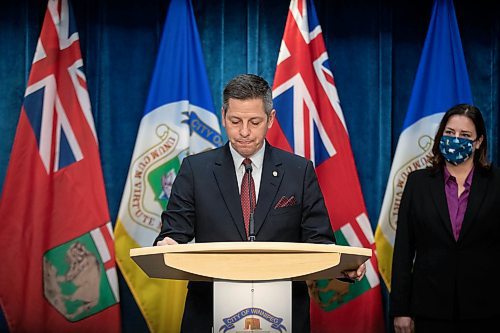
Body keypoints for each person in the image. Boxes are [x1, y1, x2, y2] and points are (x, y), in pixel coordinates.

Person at [155, 74, 365, 332]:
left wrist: (344, 266)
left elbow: (319, 242)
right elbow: (174, 232)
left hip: (283, 313)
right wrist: (168, 243)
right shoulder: (195, 170)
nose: (244, 132)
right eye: (235, 121)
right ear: (223, 116)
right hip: (209, 310)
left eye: (254, 122)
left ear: (271, 119)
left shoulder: (298, 171)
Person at [391, 104, 500, 333]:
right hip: (429, 310)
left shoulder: (496, 183)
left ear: (478, 142)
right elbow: (403, 249)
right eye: (449, 133)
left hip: (485, 309)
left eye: (465, 135)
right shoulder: (417, 183)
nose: (455, 139)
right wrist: (401, 309)